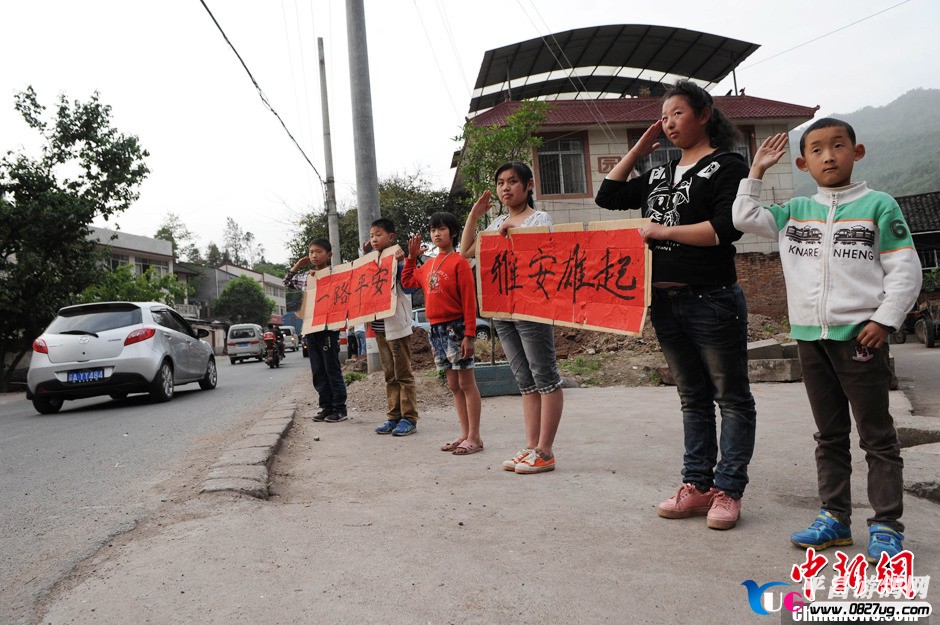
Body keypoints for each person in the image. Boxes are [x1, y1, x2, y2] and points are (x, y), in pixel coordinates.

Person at [732, 119, 922, 561]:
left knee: (876, 435)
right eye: (816, 150)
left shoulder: (878, 205)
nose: (829, 156)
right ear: (804, 164)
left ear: (857, 152)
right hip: (809, 338)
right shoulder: (795, 211)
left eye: (838, 146)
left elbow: (904, 269)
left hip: (861, 337)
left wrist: (885, 320)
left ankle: (887, 524)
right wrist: (755, 171)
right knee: (830, 434)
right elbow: (742, 217)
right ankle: (835, 518)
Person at [595, 79, 756, 530]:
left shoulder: (728, 165)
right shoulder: (660, 173)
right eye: (663, 118)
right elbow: (607, 196)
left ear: (704, 115)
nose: (668, 123)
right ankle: (697, 485)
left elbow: (726, 228)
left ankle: (728, 490)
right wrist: (639, 148)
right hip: (665, 301)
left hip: (712, 298)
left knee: (731, 398)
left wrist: (662, 231)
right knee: (692, 399)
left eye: (677, 114)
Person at [459, 161, 563, 474]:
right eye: (501, 182)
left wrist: (514, 233)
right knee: (525, 380)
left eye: (513, 181)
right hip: (503, 310)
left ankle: (545, 450)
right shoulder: (495, 224)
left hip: (532, 308)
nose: (506, 188)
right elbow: (466, 251)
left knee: (545, 377)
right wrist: (474, 215)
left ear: (529, 185)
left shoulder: (539, 218)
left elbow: (546, 253)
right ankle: (531, 447)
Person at [401, 212, 483, 455]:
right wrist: (411, 257)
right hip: (436, 329)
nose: (437, 234)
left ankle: (475, 437)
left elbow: (469, 301)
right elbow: (408, 281)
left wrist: (469, 334)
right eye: (433, 230)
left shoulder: (460, 262)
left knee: (466, 383)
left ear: (453, 233)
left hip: (456, 327)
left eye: (442, 229)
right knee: (454, 384)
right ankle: (464, 434)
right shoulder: (428, 265)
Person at [366, 218, 420, 437]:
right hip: (379, 328)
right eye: (371, 236)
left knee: (403, 374)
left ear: (391, 237)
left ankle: (409, 418)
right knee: (389, 375)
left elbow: (409, 288)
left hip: (397, 326)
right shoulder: (370, 264)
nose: (374, 239)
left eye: (378, 235)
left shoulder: (398, 261)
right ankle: (393, 416)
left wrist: (403, 263)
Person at [283, 239, 348, 423]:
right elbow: (287, 282)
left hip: (328, 329)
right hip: (310, 329)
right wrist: (298, 265)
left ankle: (340, 409)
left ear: (329, 255)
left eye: (318, 252)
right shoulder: (306, 277)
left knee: (331, 370)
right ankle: (326, 407)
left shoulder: (335, 275)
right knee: (318, 371)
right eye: (311, 252)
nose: (314, 255)